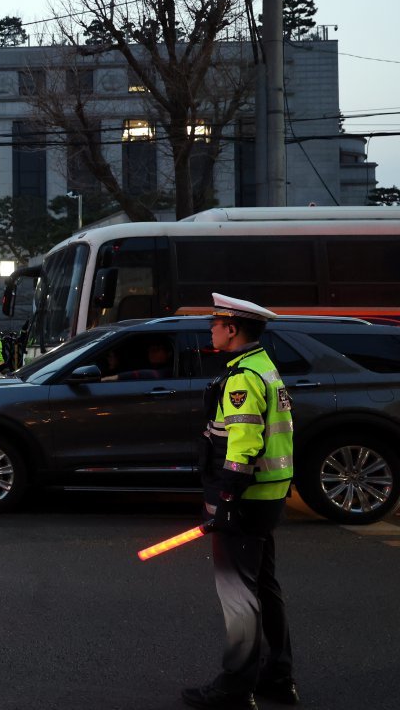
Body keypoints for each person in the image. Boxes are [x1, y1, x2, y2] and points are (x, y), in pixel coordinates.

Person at [183, 293, 297, 710]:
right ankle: (277, 677)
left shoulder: (243, 377)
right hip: (269, 493)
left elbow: (243, 443)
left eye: (215, 323)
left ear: (232, 329)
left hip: (243, 496)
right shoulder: (264, 366)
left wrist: (227, 497)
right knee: (263, 587)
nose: (210, 329)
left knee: (238, 593)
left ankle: (235, 687)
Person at [101, 338, 173, 382]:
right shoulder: (144, 365)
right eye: (149, 350)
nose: (150, 353)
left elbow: (154, 374)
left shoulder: (171, 369)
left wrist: (115, 377)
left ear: (169, 353)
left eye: (155, 350)